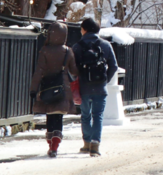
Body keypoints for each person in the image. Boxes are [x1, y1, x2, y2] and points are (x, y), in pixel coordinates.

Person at [31, 22, 79, 158]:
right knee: (58, 116)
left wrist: (33, 89)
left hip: (47, 86)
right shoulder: (67, 51)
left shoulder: (45, 51)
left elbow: (38, 72)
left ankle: (51, 143)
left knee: (50, 115)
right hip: (63, 88)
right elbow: (74, 70)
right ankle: (55, 144)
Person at [72, 17, 118, 157]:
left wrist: (76, 82)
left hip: (84, 88)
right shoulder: (105, 45)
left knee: (85, 115)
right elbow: (114, 66)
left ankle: (86, 143)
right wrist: (105, 79)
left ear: (84, 30)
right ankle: (95, 145)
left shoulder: (77, 46)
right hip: (100, 87)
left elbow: (72, 69)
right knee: (98, 116)